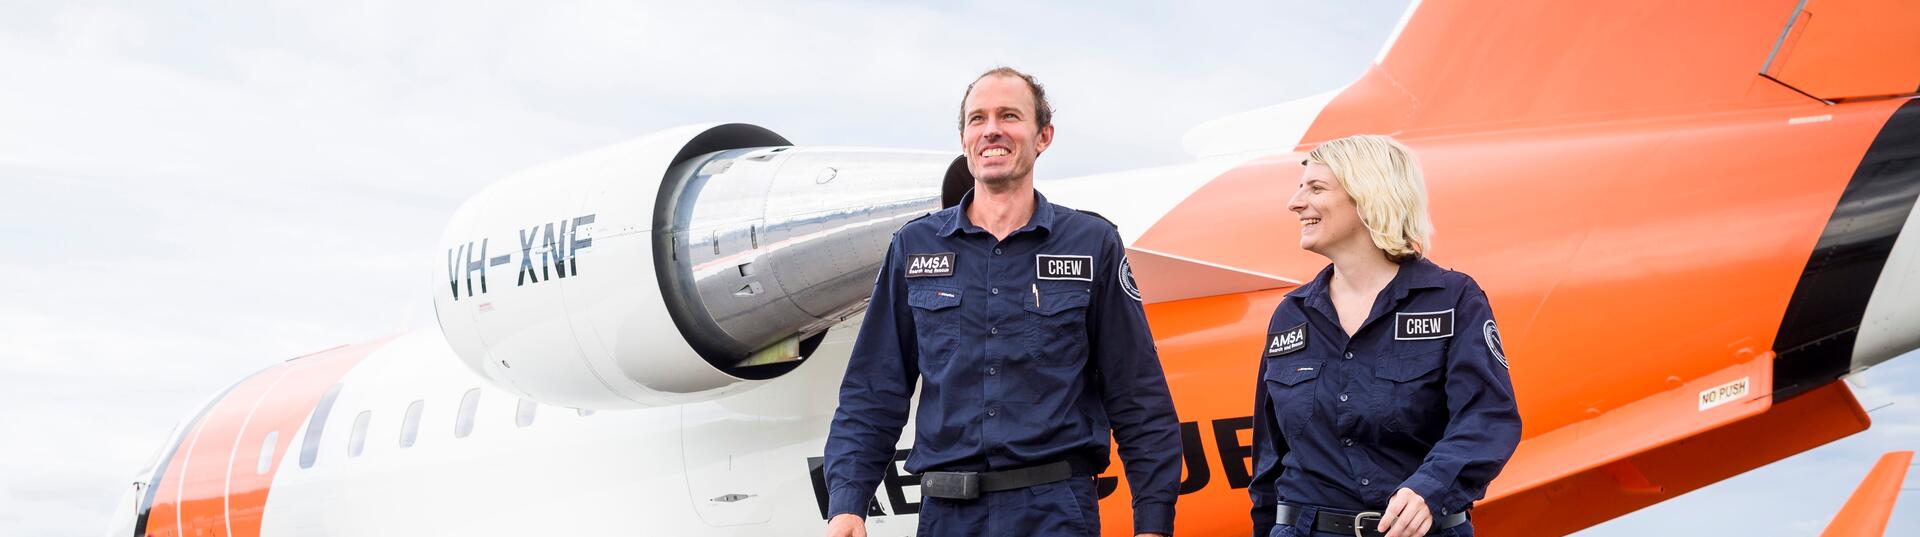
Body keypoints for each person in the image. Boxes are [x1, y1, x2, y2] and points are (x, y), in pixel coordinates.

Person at [823, 67, 1182, 537]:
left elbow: (1137, 393)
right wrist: (847, 504)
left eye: (1009, 116)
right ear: (964, 138)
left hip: (1055, 513)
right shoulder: (914, 248)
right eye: (978, 119)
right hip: (946, 515)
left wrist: (1153, 521)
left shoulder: (1092, 244)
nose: (991, 129)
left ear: (1043, 136)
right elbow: (874, 390)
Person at [1248, 135, 1521, 537]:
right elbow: (1270, 461)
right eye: (1300, 187)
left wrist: (1430, 488)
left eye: (1316, 188)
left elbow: (1488, 417)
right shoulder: (1292, 315)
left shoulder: (1452, 300)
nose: (1295, 202)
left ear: (1368, 197)